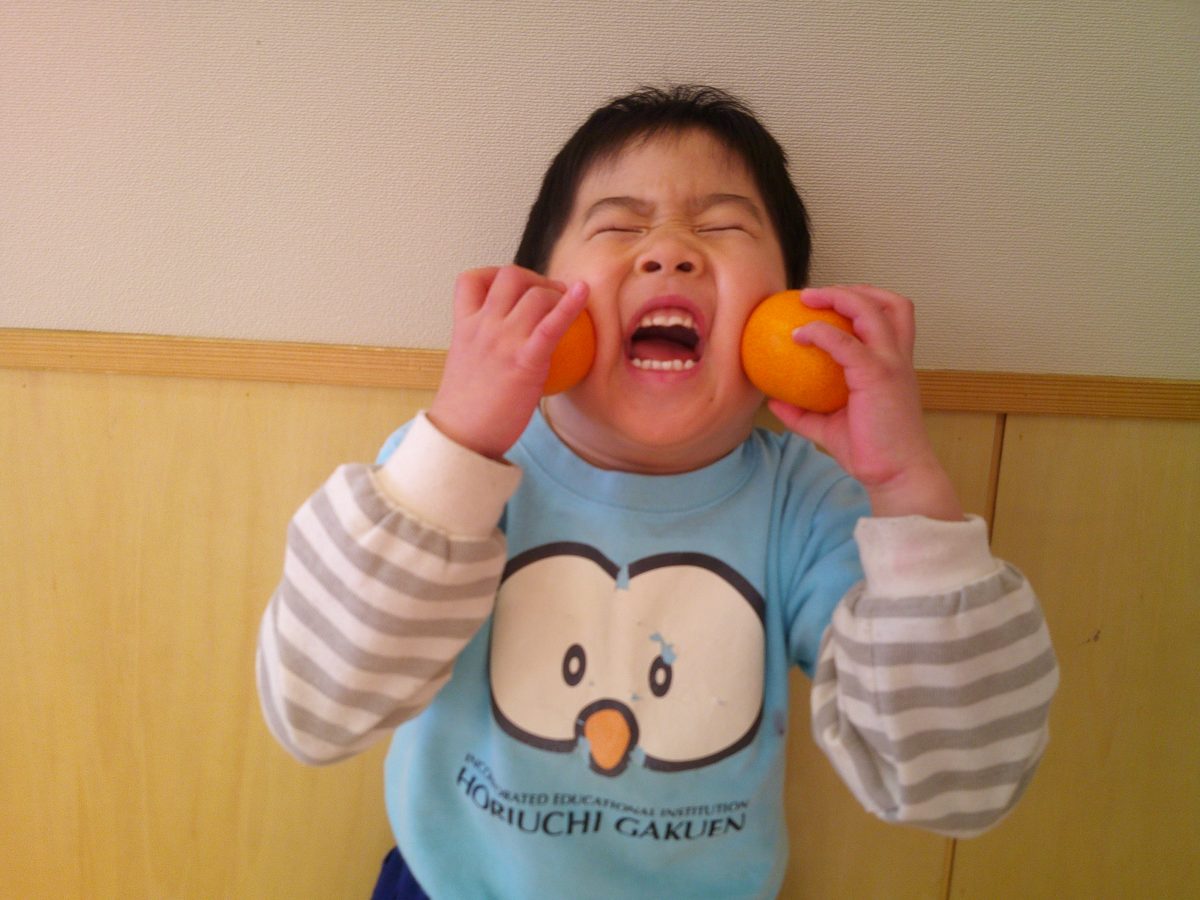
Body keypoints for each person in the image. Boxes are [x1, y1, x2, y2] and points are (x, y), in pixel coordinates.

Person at [256, 85, 1058, 899]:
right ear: (541, 302)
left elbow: (964, 784)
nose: (670, 252)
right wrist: (458, 439)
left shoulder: (810, 506)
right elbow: (314, 712)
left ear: (785, 313)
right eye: (619, 225)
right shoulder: (449, 475)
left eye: (722, 227)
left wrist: (907, 486)